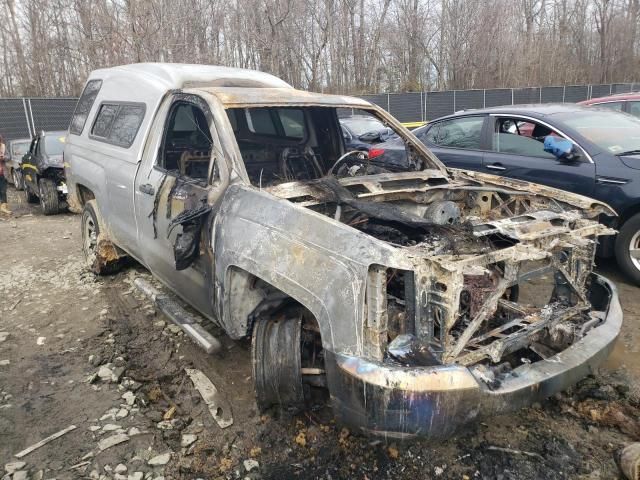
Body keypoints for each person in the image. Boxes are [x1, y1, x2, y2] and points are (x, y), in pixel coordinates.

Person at [0, 135, 11, 215]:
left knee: (3, 191)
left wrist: (3, 157)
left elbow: (9, 157)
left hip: (2, 173)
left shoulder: (3, 147)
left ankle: (3, 208)